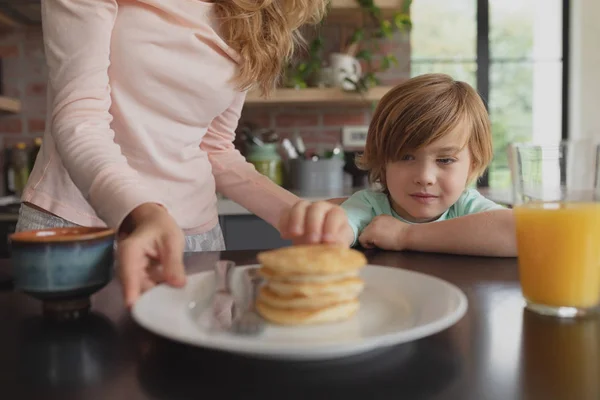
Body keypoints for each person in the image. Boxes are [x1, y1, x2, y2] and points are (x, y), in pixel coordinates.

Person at [16, 0, 332, 306]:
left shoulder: (253, 12)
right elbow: (80, 117)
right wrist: (144, 212)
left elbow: (216, 148)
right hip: (78, 231)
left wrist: (297, 212)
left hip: (195, 240)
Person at [279, 73, 517, 257]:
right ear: (383, 160)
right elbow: (338, 231)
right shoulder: (368, 207)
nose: (425, 177)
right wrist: (324, 230)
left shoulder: (466, 208)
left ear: (472, 164)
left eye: (445, 160)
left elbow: (521, 233)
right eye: (406, 157)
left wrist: (406, 235)